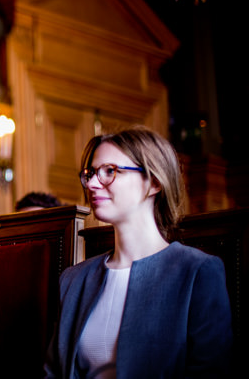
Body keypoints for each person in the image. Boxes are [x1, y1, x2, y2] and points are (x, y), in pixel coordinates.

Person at [44, 126, 233, 378]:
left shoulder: (197, 272)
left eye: (109, 171)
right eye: (90, 174)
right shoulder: (73, 280)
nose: (91, 183)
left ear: (154, 182)